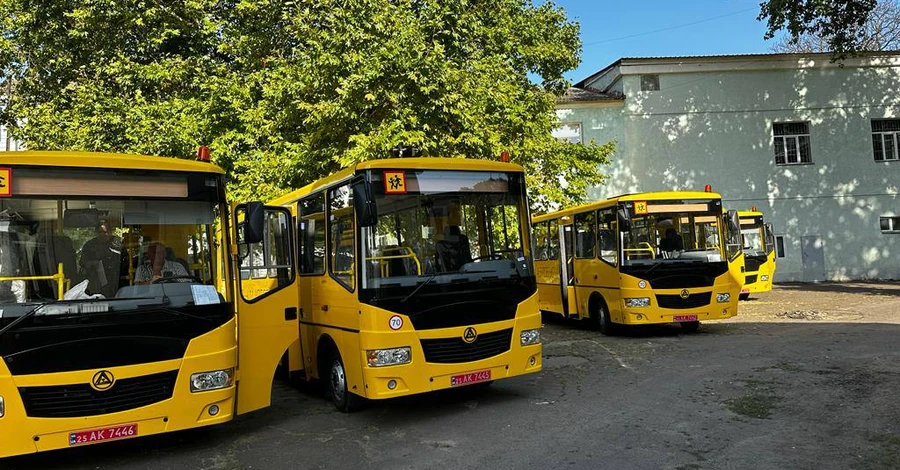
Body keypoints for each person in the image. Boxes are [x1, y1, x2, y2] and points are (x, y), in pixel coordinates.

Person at [80, 219, 128, 297]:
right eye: (100, 232)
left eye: (106, 232)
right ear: (96, 233)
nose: (103, 235)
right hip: (96, 284)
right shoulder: (89, 245)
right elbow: (83, 263)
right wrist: (94, 263)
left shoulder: (117, 242)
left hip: (117, 281)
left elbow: (126, 260)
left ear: (110, 231)